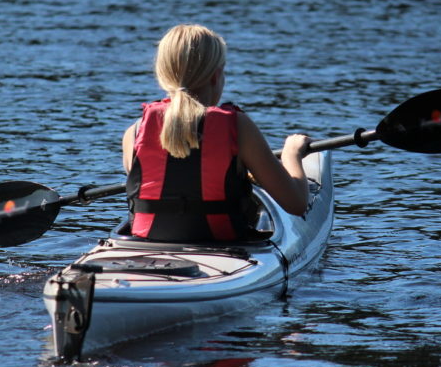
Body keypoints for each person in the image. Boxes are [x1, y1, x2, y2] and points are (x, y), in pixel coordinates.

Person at [123, 24, 311, 242]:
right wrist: (291, 154)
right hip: (221, 245)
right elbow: (296, 204)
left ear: (162, 74)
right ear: (216, 75)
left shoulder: (134, 132)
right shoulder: (238, 127)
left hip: (148, 245)